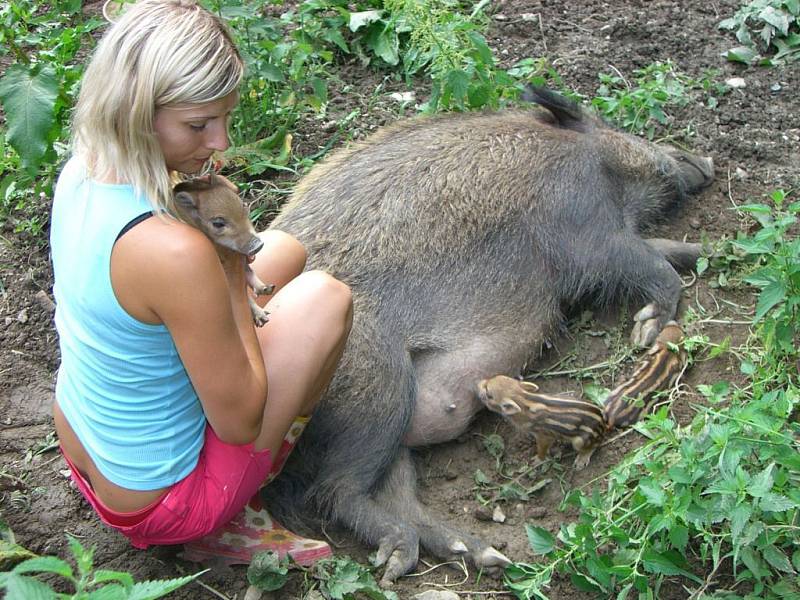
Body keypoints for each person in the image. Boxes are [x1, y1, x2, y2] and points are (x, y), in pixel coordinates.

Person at [49, 0, 353, 566]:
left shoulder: (84, 166)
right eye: (198, 125)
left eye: (223, 119)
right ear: (136, 112)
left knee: (285, 249)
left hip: (90, 451)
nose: (221, 143)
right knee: (324, 298)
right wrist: (233, 270)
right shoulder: (171, 252)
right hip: (163, 504)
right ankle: (226, 520)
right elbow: (239, 423)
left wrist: (234, 261)